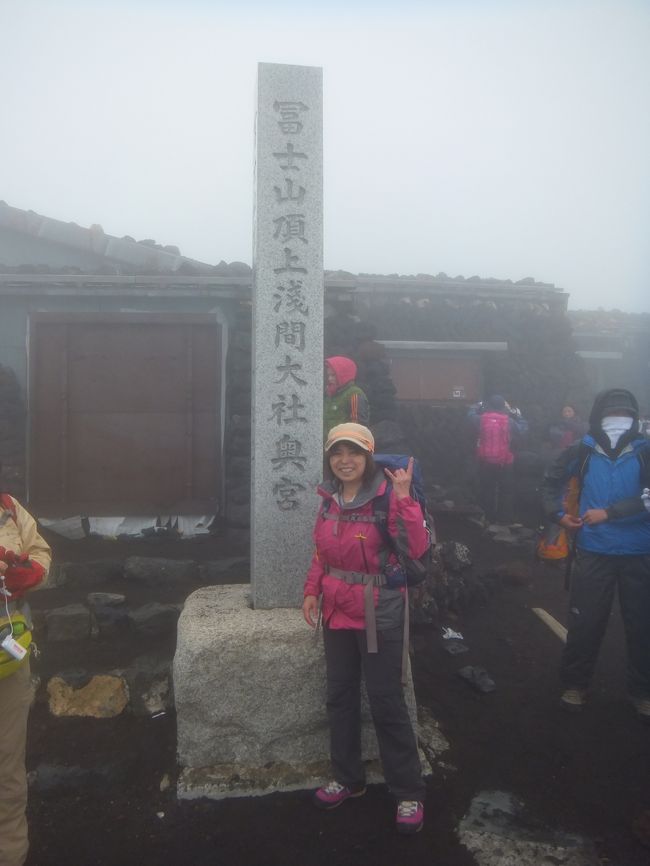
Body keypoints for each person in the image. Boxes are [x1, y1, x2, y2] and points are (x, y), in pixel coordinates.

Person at [302, 423, 429, 835]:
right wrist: (311, 592)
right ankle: (347, 778)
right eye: (337, 453)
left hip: (377, 612)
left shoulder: (387, 498)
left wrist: (407, 499)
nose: (345, 460)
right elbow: (321, 553)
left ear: (368, 456)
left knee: (386, 700)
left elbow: (416, 549)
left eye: (353, 452)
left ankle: (408, 791)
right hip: (336, 612)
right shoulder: (328, 500)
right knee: (339, 696)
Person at [541, 388, 650, 720]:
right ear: (597, 418)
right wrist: (557, 514)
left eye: (625, 415)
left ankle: (643, 690)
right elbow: (550, 482)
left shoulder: (646, 450)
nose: (618, 421)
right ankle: (575, 684)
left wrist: (610, 513)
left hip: (640, 551)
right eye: (611, 415)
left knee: (643, 625)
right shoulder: (582, 449)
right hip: (594, 549)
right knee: (585, 622)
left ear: (635, 417)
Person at [0, 479, 51, 866]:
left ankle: (11, 854)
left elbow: (41, 554)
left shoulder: (9, 508)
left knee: (7, 764)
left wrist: (24, 572)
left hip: (8, 659)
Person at [468, 395, 528, 525]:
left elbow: (470, 415)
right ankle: (503, 519)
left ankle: (487, 517)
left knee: (486, 488)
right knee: (505, 490)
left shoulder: (481, 420)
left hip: (485, 460)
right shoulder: (509, 421)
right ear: (502, 406)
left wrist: (477, 405)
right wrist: (518, 415)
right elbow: (523, 428)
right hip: (505, 461)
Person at [323, 356, 369, 438]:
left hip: (342, 446)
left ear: (343, 375)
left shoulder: (354, 394)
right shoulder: (328, 393)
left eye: (333, 375)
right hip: (327, 445)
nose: (330, 379)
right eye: (328, 375)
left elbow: (357, 426)